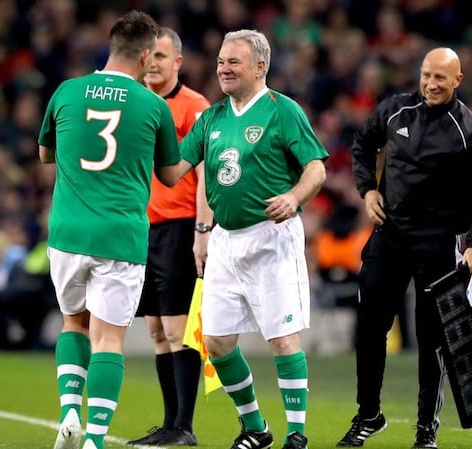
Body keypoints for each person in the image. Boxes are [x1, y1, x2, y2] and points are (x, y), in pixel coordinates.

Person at [336, 47, 472, 449]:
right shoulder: (394, 110)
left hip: (438, 243)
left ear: (457, 80)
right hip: (389, 236)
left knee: (433, 339)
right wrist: (368, 190)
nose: (430, 83)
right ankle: (368, 416)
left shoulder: (471, 132)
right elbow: (362, 145)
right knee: (370, 326)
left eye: (440, 78)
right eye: (426, 75)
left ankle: (426, 430)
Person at [175, 29, 328, 449]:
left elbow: (316, 167)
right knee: (218, 342)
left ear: (261, 66)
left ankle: (297, 434)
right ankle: (256, 429)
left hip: (271, 237)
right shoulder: (212, 118)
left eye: (233, 62)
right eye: (221, 61)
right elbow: (173, 169)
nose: (223, 68)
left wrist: (295, 196)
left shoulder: (282, 110)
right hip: (225, 240)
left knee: (281, 338)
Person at [38, 10, 180, 449]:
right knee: (109, 339)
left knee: (72, 324)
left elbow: (46, 154)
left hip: (68, 232)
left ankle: (68, 414)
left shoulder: (67, 92)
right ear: (143, 56)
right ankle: (96, 439)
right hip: (120, 235)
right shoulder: (153, 105)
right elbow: (172, 176)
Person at [126, 27, 211, 447]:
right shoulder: (137, 104)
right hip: (140, 230)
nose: (153, 62)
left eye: (161, 55)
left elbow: (206, 174)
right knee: (157, 331)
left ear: (177, 61)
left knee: (178, 329)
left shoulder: (195, 107)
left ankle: (184, 426)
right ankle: (168, 423)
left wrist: (202, 229)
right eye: (149, 55)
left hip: (179, 229)